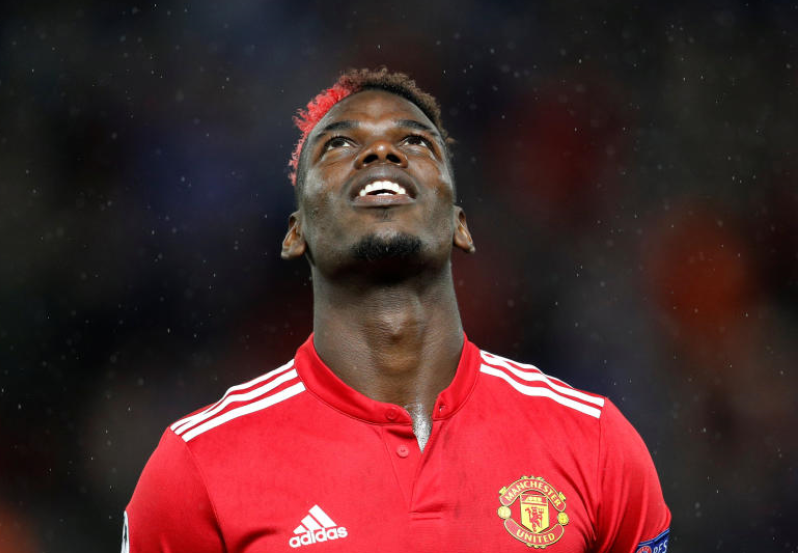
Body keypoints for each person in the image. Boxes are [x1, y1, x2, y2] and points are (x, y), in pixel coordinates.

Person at [123, 68, 671, 552]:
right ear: (296, 234)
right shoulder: (199, 465)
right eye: (339, 144)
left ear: (460, 225)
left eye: (415, 141)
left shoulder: (594, 442)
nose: (381, 152)